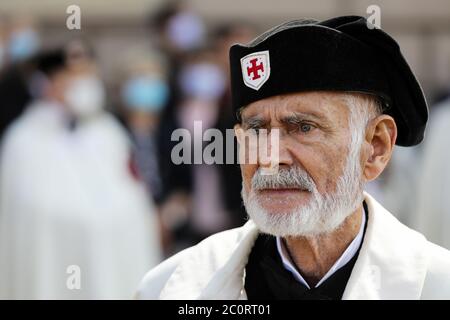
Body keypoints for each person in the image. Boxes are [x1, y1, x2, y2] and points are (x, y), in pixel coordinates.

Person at [136, 16, 450, 300]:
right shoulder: (172, 287)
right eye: (257, 129)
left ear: (375, 147)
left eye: (303, 127)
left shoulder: (436, 286)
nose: (270, 158)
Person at [0, 47, 161, 299]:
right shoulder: (24, 138)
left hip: (113, 248)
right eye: (74, 75)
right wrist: (86, 222)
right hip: (59, 257)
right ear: (49, 82)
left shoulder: (108, 131)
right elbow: (31, 208)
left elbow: (133, 190)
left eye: (89, 73)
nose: (84, 83)